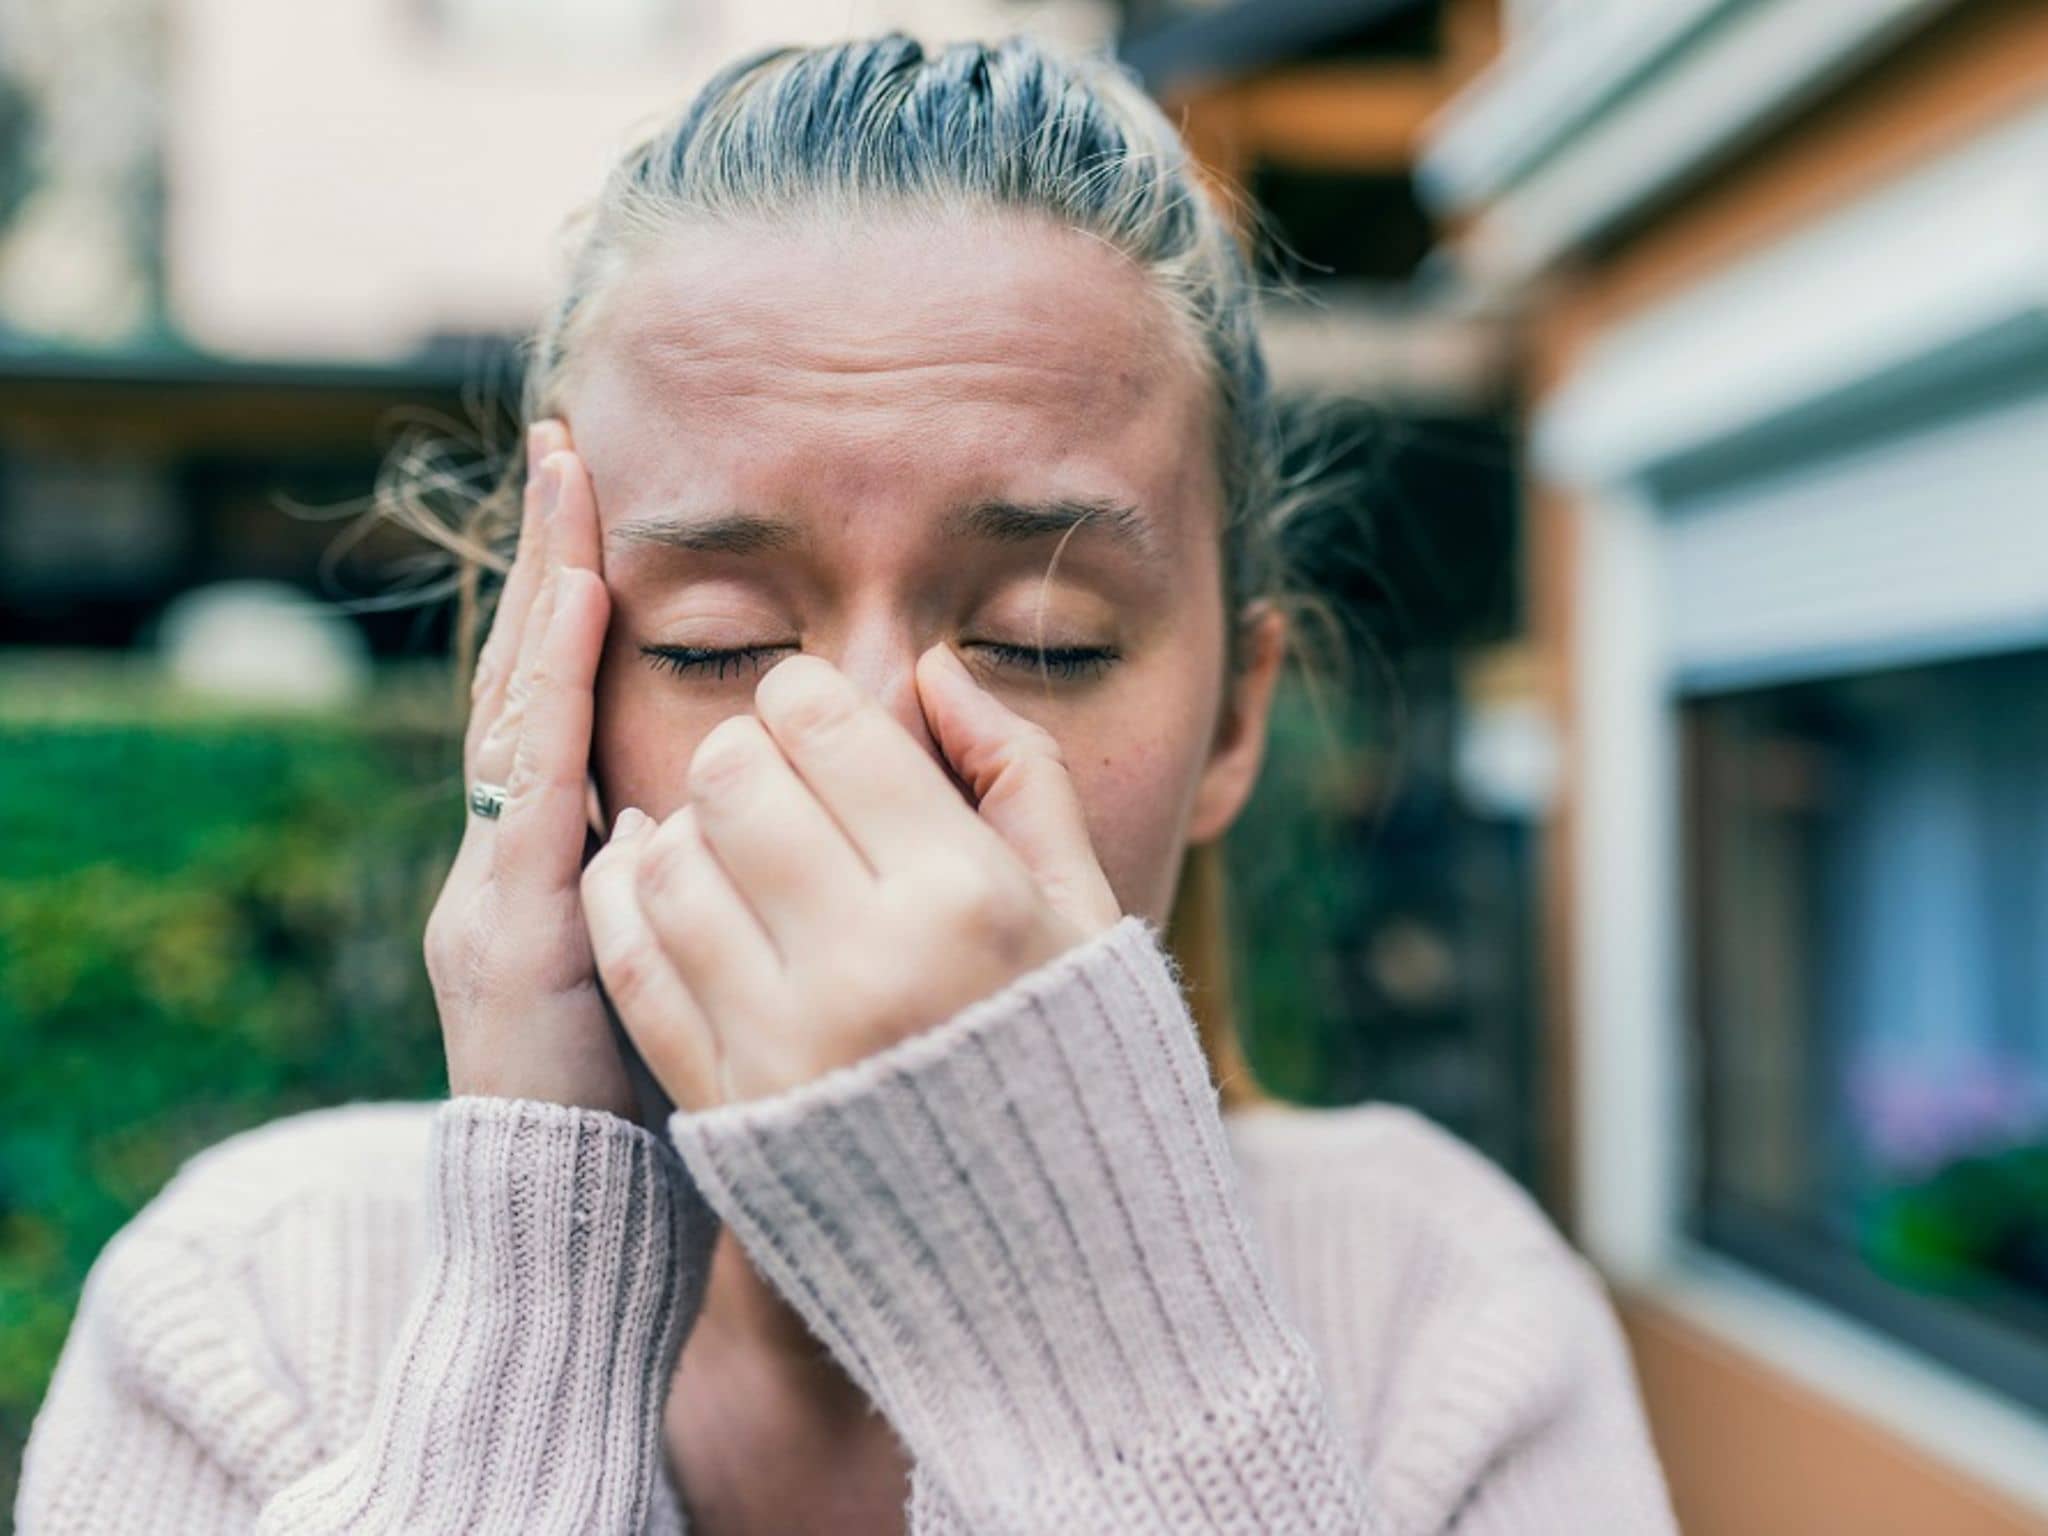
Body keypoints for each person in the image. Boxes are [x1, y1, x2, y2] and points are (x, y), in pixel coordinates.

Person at [15, 31, 1678, 1535]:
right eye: (716, 641)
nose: (869, 756)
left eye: (1040, 641)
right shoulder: (248, 1309)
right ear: (533, 694)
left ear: (1234, 722)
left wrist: (1104, 1358)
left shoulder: (1450, 1317)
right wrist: (536, 1302)